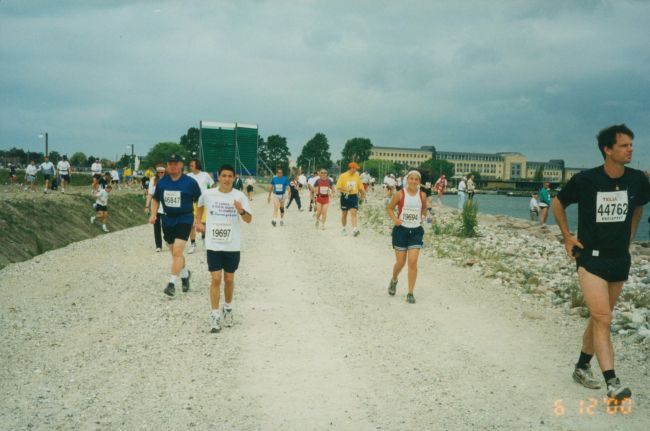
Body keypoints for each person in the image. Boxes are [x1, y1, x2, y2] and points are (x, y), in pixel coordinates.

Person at [552, 124, 650, 403]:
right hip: (591, 259)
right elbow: (559, 203)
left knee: (599, 317)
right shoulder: (586, 180)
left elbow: (639, 205)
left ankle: (582, 366)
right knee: (604, 317)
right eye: (624, 145)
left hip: (619, 259)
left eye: (631, 144)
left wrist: (630, 237)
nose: (630, 149)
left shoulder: (638, 180)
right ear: (608, 150)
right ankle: (613, 383)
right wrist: (567, 237)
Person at [195, 164, 252, 333]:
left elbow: (249, 220)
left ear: (234, 178)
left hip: (232, 245)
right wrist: (198, 222)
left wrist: (241, 211)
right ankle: (214, 315)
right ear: (218, 177)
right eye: (224, 176)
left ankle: (227, 308)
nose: (227, 179)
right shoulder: (208, 194)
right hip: (213, 244)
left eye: (230, 176)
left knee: (228, 278)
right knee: (215, 279)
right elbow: (199, 205)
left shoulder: (240, 196)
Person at [149, 154, 202, 297]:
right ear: (167, 166)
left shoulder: (190, 182)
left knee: (178, 252)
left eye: (175, 163)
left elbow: (199, 201)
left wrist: (198, 219)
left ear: (180, 165)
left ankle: (171, 284)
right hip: (168, 220)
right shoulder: (162, 182)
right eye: (170, 163)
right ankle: (185, 275)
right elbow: (155, 200)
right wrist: (153, 214)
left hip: (185, 218)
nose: (172, 166)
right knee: (175, 253)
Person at [386, 170, 427, 304]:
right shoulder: (400, 194)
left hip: (416, 232)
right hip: (401, 231)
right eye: (411, 178)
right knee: (401, 263)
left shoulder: (422, 195)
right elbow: (390, 208)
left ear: (419, 182)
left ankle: (410, 292)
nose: (414, 181)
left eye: (416, 179)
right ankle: (394, 279)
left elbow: (425, 209)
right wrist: (394, 220)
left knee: (413, 261)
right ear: (407, 180)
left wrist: (424, 217)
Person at [186, 159, 215, 254]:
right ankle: (193, 244)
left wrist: (210, 194)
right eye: (190, 165)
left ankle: (204, 239)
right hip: (191, 202)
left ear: (197, 166)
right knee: (191, 224)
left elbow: (212, 185)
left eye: (192, 165)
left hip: (203, 202)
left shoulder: (205, 175)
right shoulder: (188, 176)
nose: (190, 167)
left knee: (203, 223)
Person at [336, 162, 366, 236]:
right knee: (344, 213)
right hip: (345, 196)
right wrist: (346, 189)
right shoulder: (343, 176)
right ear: (351, 168)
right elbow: (338, 187)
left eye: (356, 169)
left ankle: (355, 229)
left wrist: (363, 195)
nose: (356, 170)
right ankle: (343, 228)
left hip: (353, 196)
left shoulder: (357, 176)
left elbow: (360, 187)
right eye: (355, 169)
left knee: (354, 212)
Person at [145, 165, 166, 252]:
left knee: (167, 226)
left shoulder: (169, 180)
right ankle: (158, 245)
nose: (160, 174)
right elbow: (150, 194)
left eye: (162, 172)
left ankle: (167, 238)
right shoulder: (153, 180)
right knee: (156, 226)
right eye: (158, 172)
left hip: (166, 207)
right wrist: (147, 206)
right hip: (155, 206)